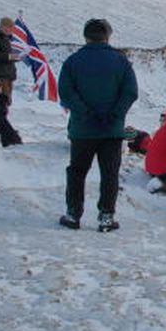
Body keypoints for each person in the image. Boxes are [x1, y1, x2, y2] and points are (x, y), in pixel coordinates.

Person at [57, 18, 138, 232]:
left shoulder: (73, 61)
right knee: (109, 173)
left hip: (82, 129)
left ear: (85, 36)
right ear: (108, 36)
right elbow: (130, 92)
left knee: (77, 172)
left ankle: (73, 214)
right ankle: (106, 216)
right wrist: (115, 114)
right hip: (111, 129)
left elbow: (65, 92)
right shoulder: (120, 61)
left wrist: (84, 112)